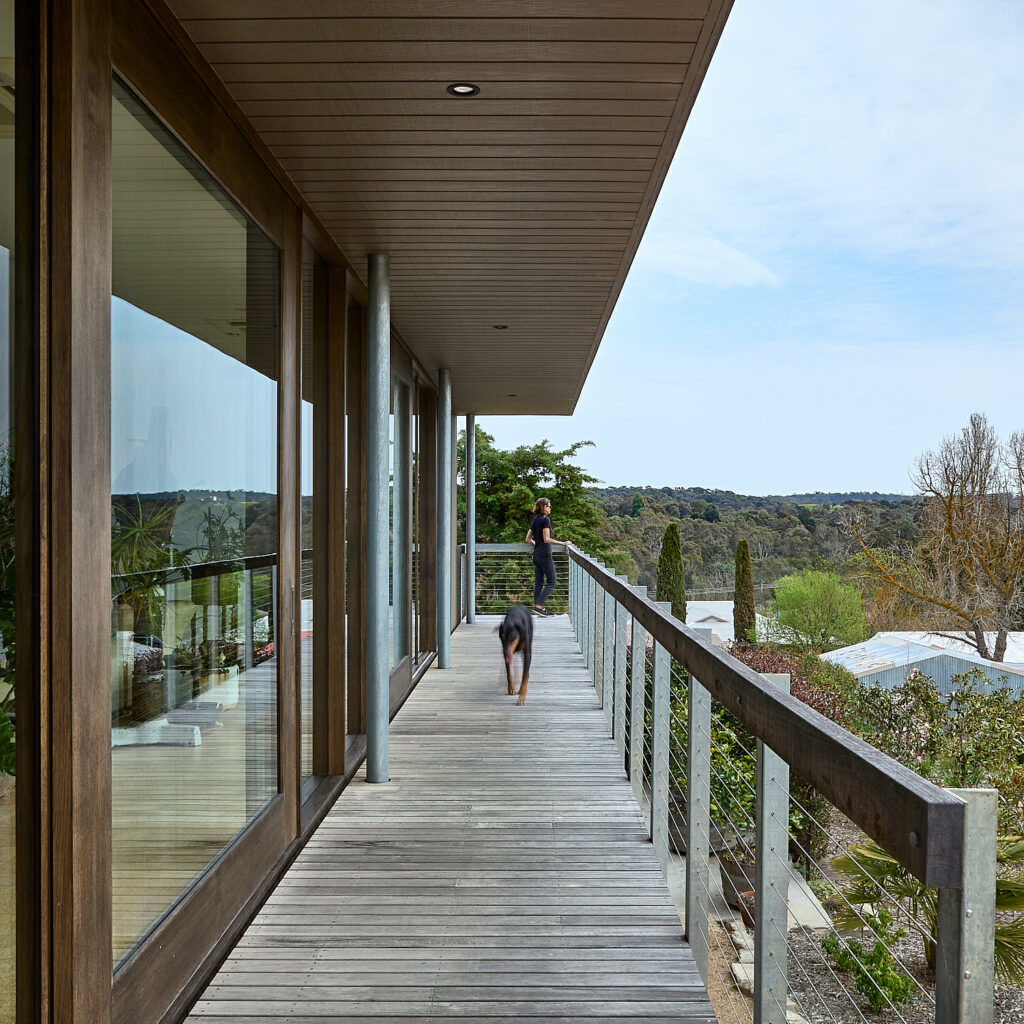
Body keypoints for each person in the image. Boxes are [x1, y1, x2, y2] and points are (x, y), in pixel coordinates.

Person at [525, 497, 571, 616]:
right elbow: (546, 539)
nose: (550, 508)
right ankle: (539, 605)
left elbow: (528, 539)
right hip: (545, 555)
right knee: (552, 581)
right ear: (543, 507)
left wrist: (537, 546)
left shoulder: (534, 521)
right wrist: (563, 543)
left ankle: (538, 607)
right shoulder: (546, 520)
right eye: (549, 506)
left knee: (539, 582)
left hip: (537, 554)